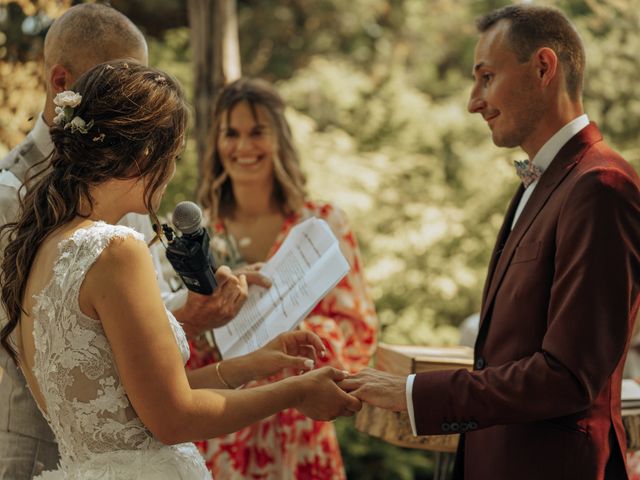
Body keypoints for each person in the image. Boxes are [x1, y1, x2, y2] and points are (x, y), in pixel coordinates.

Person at [0, 60, 361, 480]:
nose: (171, 174)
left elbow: (141, 402)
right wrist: (295, 391)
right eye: (173, 156)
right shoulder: (116, 250)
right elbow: (174, 419)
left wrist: (256, 363)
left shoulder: (41, 247)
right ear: (147, 156)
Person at [340, 5, 640, 480]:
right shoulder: (539, 180)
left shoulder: (601, 186)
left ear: (543, 67)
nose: (473, 102)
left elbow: (568, 376)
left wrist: (413, 393)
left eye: (486, 77)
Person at [0, 5, 264, 478]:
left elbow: (126, 328)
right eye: (118, 80)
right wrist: (297, 392)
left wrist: (201, 316)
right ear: (65, 84)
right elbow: (60, 337)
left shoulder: (119, 201)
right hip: (34, 449)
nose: (133, 101)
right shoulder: (9, 195)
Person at [191, 77, 378, 479]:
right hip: (223, 427)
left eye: (257, 132)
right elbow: (179, 341)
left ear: (280, 138)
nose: (243, 147)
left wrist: (292, 334)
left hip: (299, 426)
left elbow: (358, 328)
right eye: (231, 134)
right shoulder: (201, 235)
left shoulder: (325, 222)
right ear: (217, 143)